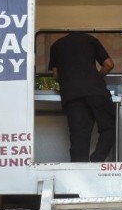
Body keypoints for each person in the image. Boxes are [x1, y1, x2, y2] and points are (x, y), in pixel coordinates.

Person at [49, 31, 116, 162]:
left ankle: (80, 172)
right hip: (95, 91)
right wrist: (96, 77)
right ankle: (97, 159)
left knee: (79, 137)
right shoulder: (91, 40)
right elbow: (109, 64)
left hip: (72, 95)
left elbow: (56, 75)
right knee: (108, 127)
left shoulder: (56, 45)